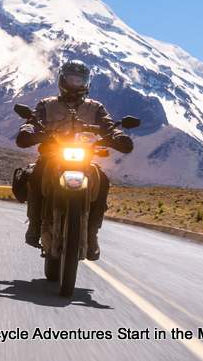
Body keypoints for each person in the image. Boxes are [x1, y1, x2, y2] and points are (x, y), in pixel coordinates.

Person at [16, 59, 133, 260]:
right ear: (63, 80)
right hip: (52, 155)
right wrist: (29, 130)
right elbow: (33, 121)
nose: (75, 84)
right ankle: (34, 226)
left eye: (80, 80)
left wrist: (117, 135)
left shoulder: (95, 107)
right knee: (35, 176)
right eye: (71, 79)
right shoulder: (47, 105)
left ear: (86, 83)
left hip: (83, 158)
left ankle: (92, 234)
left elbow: (109, 125)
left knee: (102, 180)